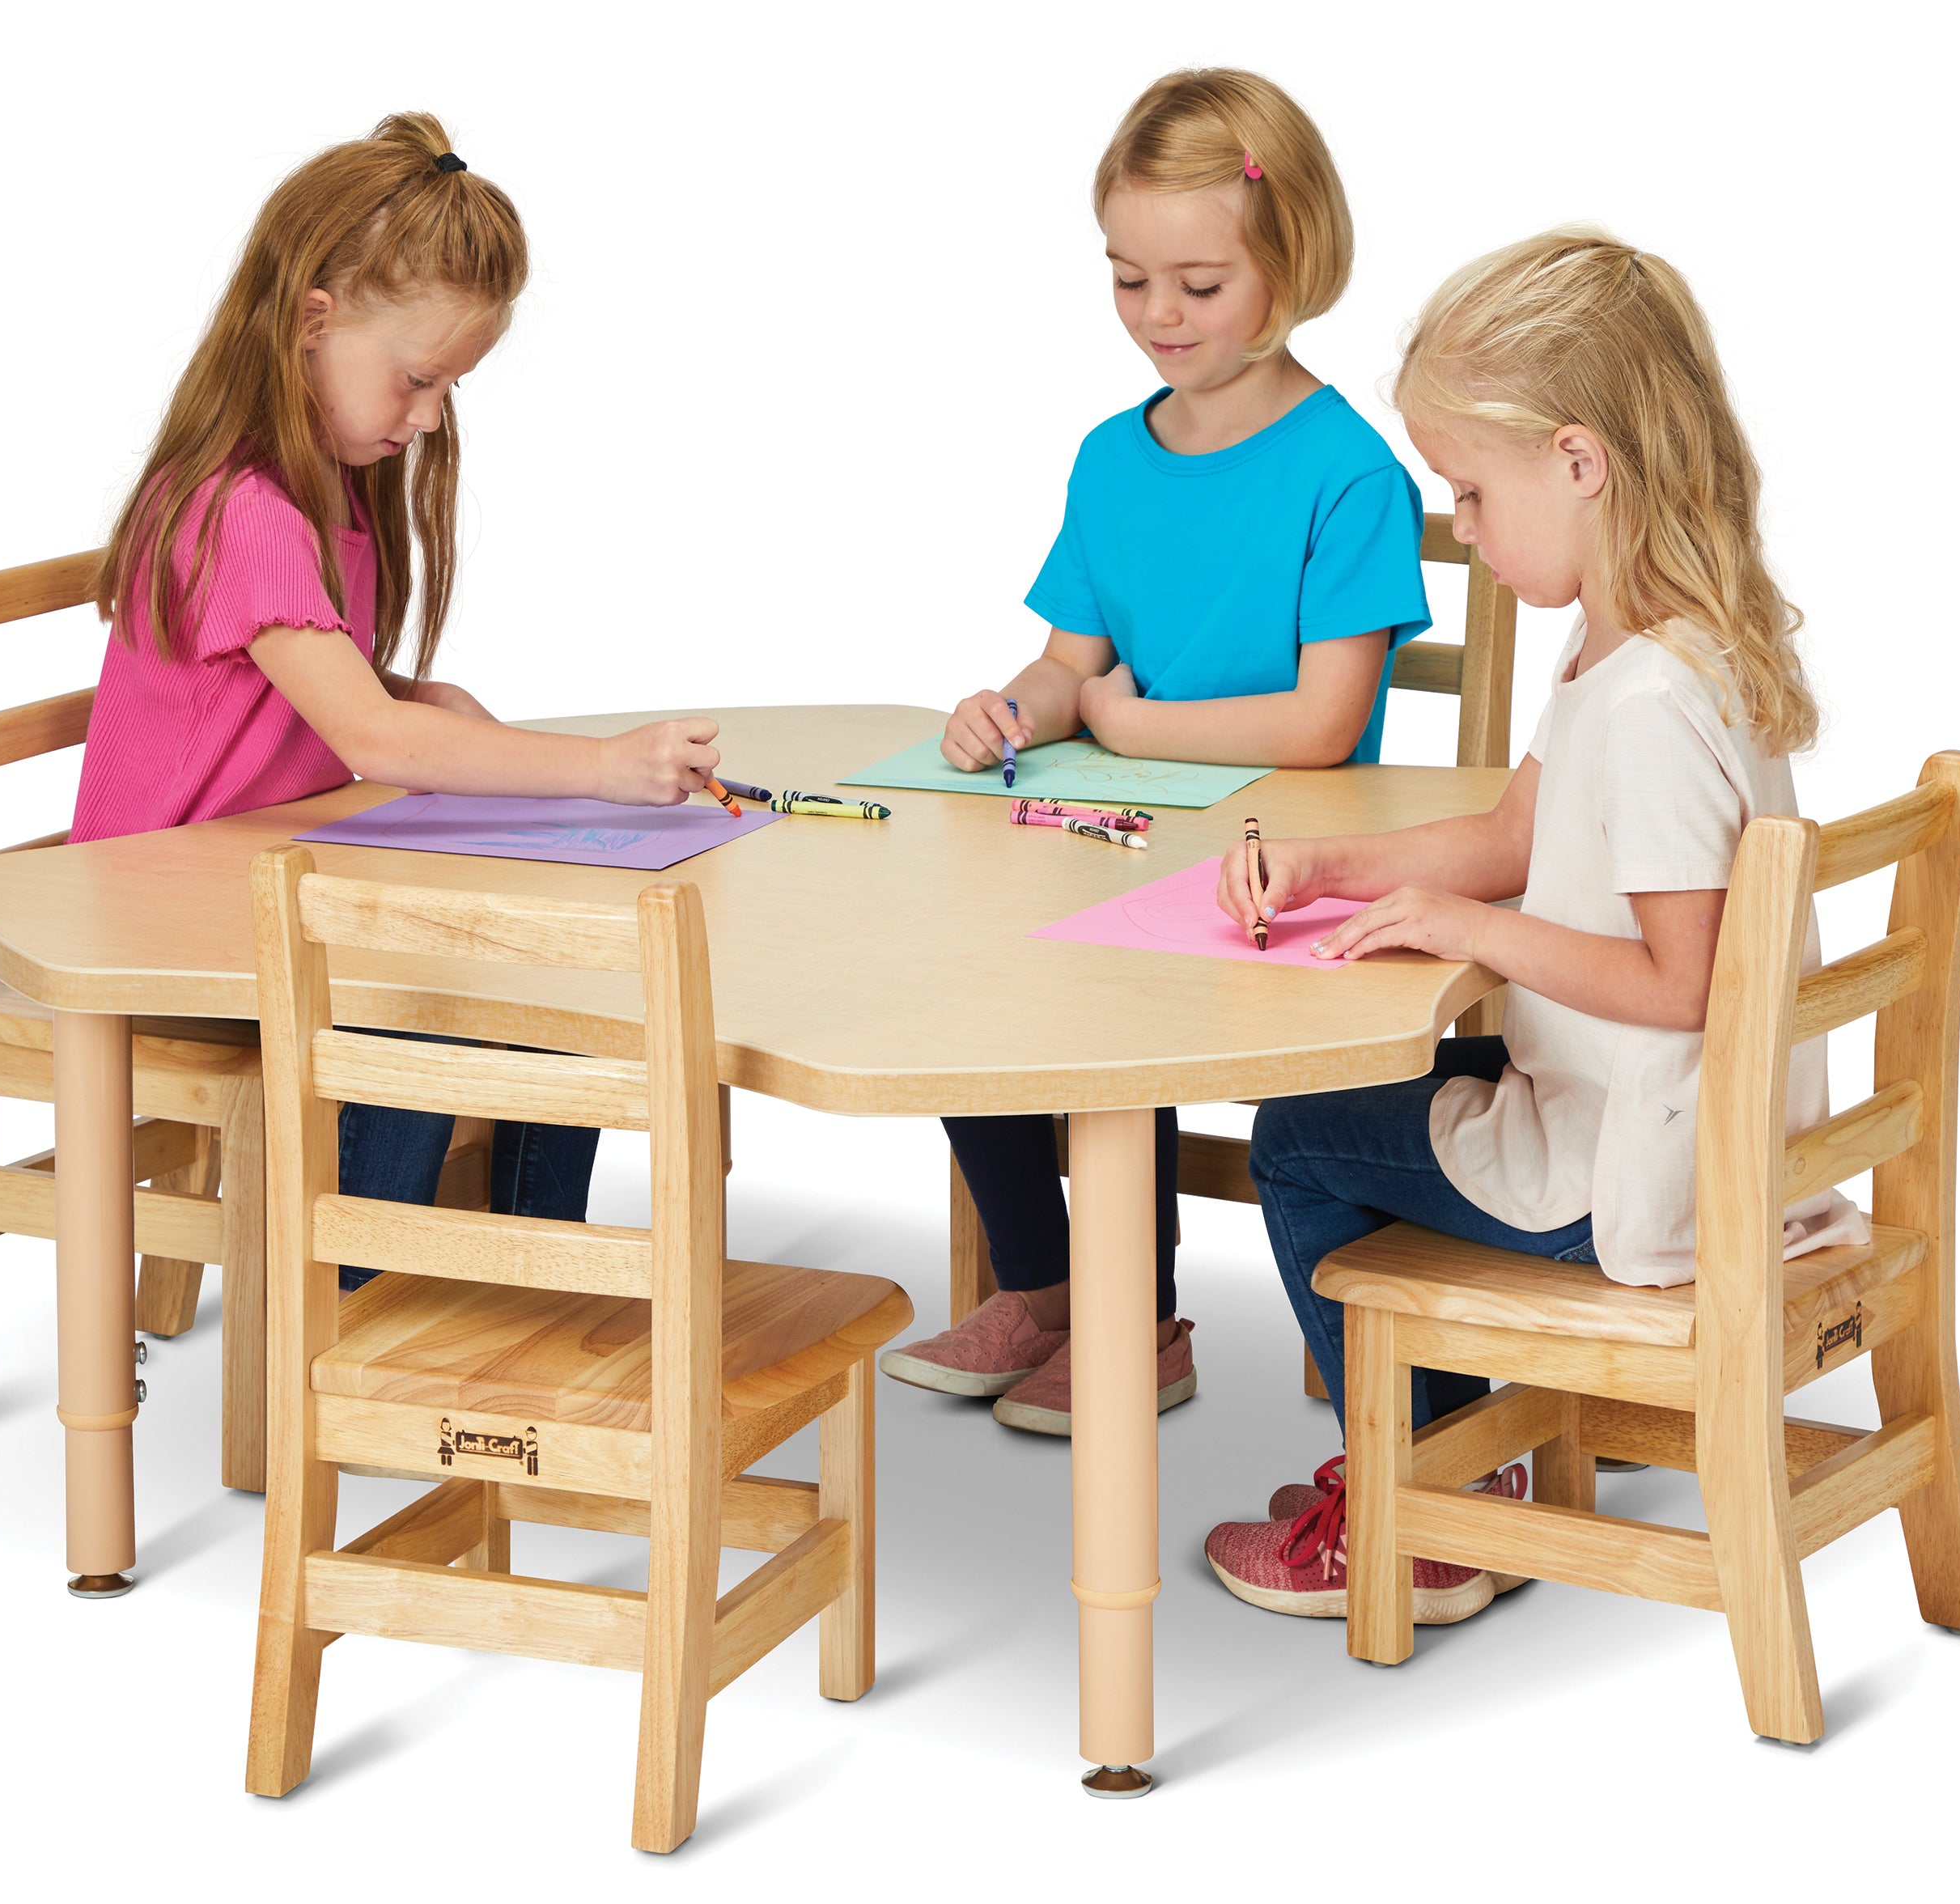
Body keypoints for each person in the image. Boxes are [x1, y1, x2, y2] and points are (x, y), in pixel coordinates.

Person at [1203, 227, 1870, 1622]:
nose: (1460, 525)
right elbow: (1515, 834)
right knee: (1380, 1086)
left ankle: (1426, 1512)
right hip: (1700, 1136)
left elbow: (1684, 983)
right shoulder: (1651, 639)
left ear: (1579, 461)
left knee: (1296, 1138)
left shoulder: (1649, 706)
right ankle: (1462, 1468)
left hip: (1647, 1176)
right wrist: (1332, 863)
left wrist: (1471, 931)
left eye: (1471, 490)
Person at [72, 113, 723, 1277]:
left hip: (261, 878)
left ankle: (522, 1271)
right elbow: (371, 739)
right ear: (312, 323)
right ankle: (361, 1296)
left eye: (448, 390)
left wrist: (423, 694)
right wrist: (604, 766)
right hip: (163, 917)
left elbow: (307, 693)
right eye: (418, 381)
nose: (427, 418)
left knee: (542, 967)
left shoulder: (322, 488)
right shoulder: (239, 510)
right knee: (423, 995)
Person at [882, 69, 1432, 1435]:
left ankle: (1141, 1327)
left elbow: (1322, 722)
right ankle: (1048, 1289)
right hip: (1120, 836)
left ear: (1290, 263)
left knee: (1110, 988)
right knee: (962, 967)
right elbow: (1067, 663)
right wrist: (1012, 709)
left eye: (1199, 284)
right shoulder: (1109, 459)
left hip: (1276, 867)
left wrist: (1126, 721)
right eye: (1129, 280)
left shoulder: (1348, 470)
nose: (1158, 316)